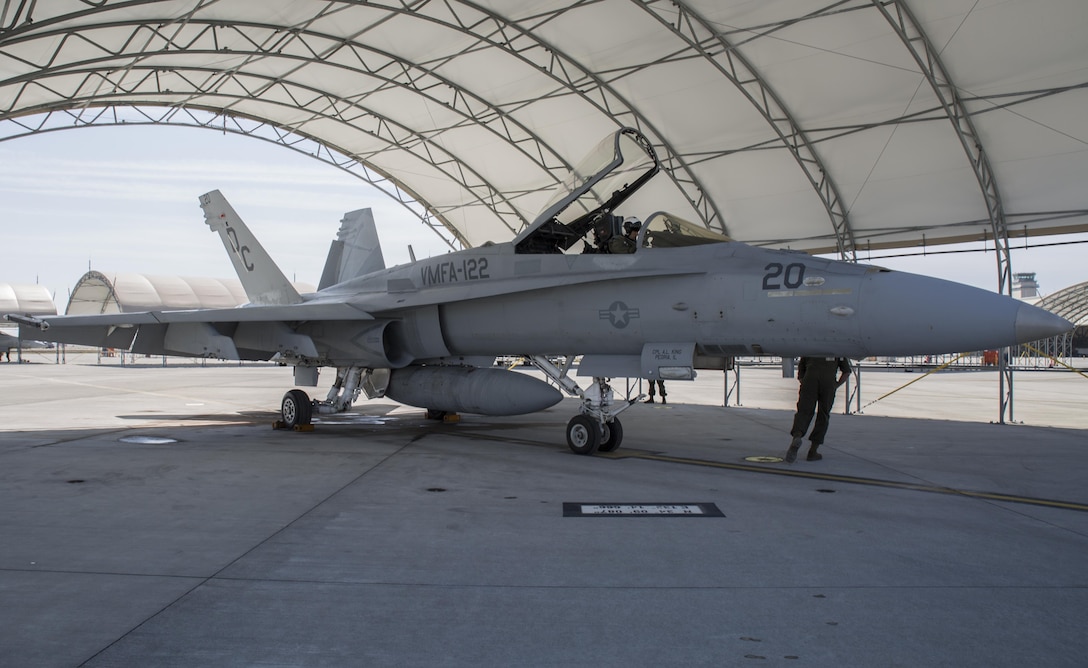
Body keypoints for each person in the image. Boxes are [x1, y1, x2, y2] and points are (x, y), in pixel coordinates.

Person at [786, 356, 852, 463]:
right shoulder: (837, 351)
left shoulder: (811, 349)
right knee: (823, 415)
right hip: (828, 383)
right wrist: (836, 385)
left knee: (803, 412)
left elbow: (801, 369)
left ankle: (797, 436)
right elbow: (846, 372)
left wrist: (804, 381)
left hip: (809, 380)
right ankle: (813, 451)